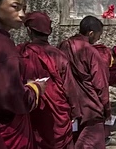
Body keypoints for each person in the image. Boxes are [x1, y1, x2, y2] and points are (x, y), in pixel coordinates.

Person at [17, 11, 80, 149]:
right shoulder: (59, 55)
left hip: (34, 109)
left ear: (29, 30)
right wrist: (75, 111)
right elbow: (70, 87)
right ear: (49, 32)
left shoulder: (21, 54)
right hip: (57, 116)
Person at [0, 0, 46, 149]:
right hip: (8, 127)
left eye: (23, 8)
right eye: (15, 7)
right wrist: (36, 88)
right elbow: (15, 98)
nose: (22, 14)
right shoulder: (4, 47)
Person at [58, 15, 110, 149]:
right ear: (91, 33)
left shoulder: (64, 45)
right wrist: (106, 108)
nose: (98, 39)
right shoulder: (90, 51)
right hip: (90, 106)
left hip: (69, 103)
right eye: (99, 35)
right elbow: (100, 84)